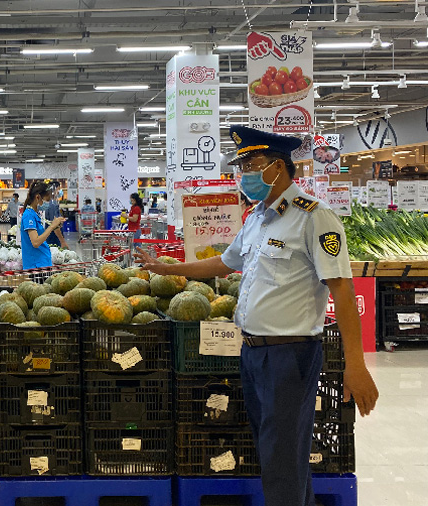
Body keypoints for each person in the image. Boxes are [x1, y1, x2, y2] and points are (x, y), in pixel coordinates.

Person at [134, 126, 379, 506]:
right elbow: (223, 262)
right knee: (278, 451)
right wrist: (167, 269)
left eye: (251, 164)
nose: (244, 173)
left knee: (282, 455)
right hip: (253, 353)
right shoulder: (256, 218)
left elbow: (342, 291)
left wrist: (356, 365)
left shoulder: (314, 218)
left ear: (277, 168)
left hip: (291, 355)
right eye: (242, 165)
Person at [20, 181, 66, 270]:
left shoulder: (35, 214)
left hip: (42, 263)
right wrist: (52, 227)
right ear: (38, 197)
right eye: (47, 200)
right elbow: (36, 242)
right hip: (36, 266)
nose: (48, 203)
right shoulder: (29, 216)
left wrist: (56, 225)